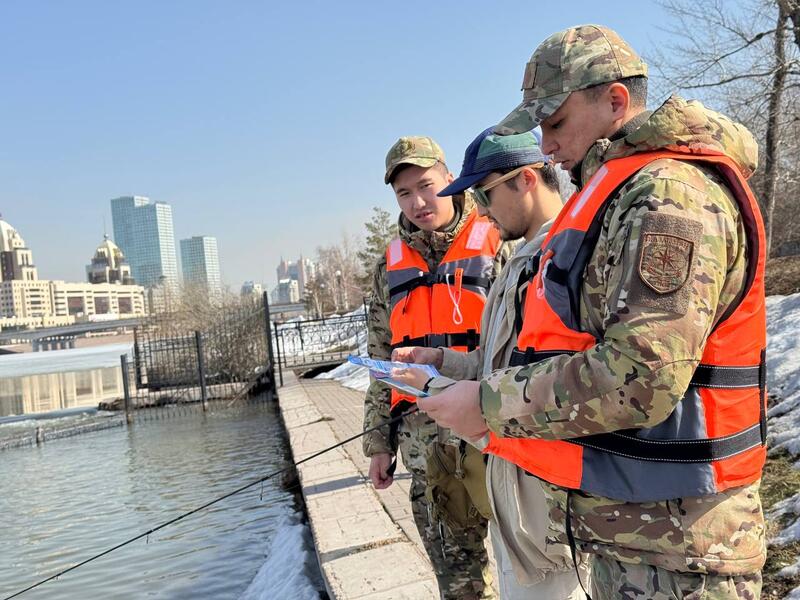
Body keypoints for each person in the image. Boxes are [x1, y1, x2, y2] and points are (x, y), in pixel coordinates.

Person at [413, 25, 768, 599]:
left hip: (684, 550)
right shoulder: (616, 195)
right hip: (638, 537)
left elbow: (643, 374)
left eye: (554, 123)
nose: (546, 145)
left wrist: (486, 404)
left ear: (615, 101)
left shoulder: (668, 197)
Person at [392, 128, 588, 599]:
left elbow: (572, 376)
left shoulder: (566, 256)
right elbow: (500, 359)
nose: (480, 208)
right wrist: (442, 362)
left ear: (524, 181)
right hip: (512, 484)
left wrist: (469, 401)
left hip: (548, 496)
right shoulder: (528, 255)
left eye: (485, 192)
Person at [362, 135, 505, 599]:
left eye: (426, 185)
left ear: (447, 177)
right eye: (404, 193)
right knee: (460, 586)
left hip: (500, 441)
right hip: (428, 454)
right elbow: (381, 360)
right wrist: (377, 443)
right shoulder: (389, 267)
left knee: (534, 576)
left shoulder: (498, 237)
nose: (419, 202)